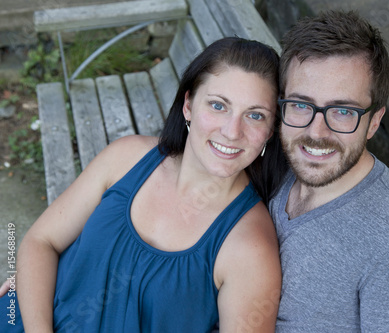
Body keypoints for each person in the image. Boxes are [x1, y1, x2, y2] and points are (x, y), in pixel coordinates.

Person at [0, 37, 285, 332]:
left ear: (270, 131)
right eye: (217, 105)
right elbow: (40, 242)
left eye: (255, 115)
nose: (232, 131)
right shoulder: (127, 158)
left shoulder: (249, 249)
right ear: (188, 105)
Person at [269, 10, 389, 332]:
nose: (316, 132)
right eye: (302, 104)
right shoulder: (275, 162)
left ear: (374, 121)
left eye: (343, 111)